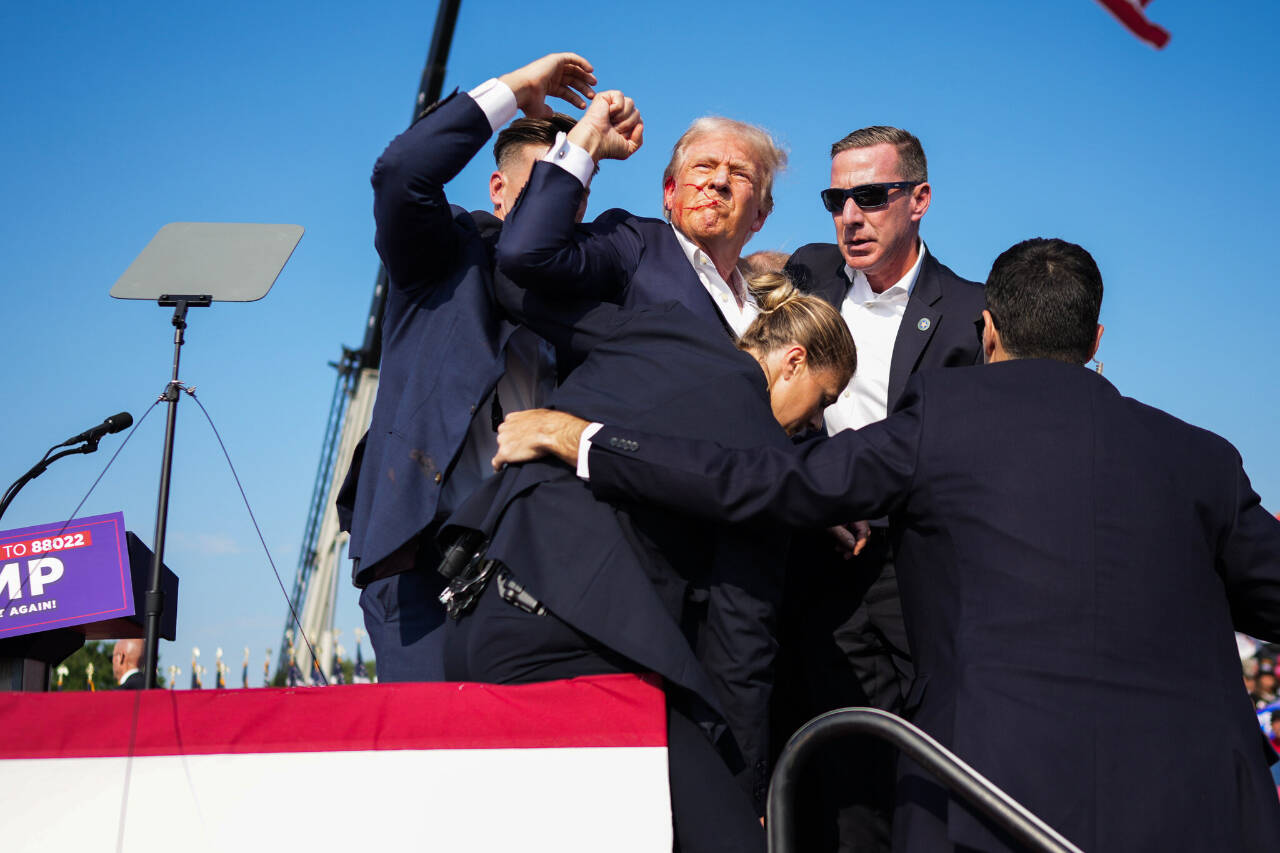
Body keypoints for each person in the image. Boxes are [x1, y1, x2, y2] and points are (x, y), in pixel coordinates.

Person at [497, 238, 1280, 852]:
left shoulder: (945, 420)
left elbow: (762, 481)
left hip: (989, 804)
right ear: (1096, 338)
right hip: (1208, 808)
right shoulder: (1203, 458)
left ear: (989, 330)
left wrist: (589, 441)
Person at [441, 275, 855, 853]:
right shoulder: (765, 456)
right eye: (824, 401)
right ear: (793, 361)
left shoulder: (662, 325)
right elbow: (742, 643)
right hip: (572, 639)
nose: (815, 426)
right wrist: (743, 791)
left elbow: (527, 281)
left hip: (477, 611)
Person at [334, 53, 598, 681]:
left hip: (540, 570)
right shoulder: (443, 257)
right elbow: (401, 173)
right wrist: (516, 89)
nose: (553, 207)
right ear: (497, 191)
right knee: (433, 759)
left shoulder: (591, 294)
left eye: (570, 193)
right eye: (538, 188)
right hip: (423, 575)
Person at [781, 125, 986, 851]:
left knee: (923, 773)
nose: (850, 216)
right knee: (829, 781)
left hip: (917, 574)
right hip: (814, 561)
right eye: (837, 198)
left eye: (871, 196)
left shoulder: (971, 311)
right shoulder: (804, 279)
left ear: (919, 199)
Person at [494, 98, 786, 359]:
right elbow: (527, 252)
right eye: (704, 167)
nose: (719, 181)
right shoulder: (633, 243)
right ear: (669, 193)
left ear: (760, 215)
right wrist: (588, 139)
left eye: (740, 174)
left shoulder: (768, 305)